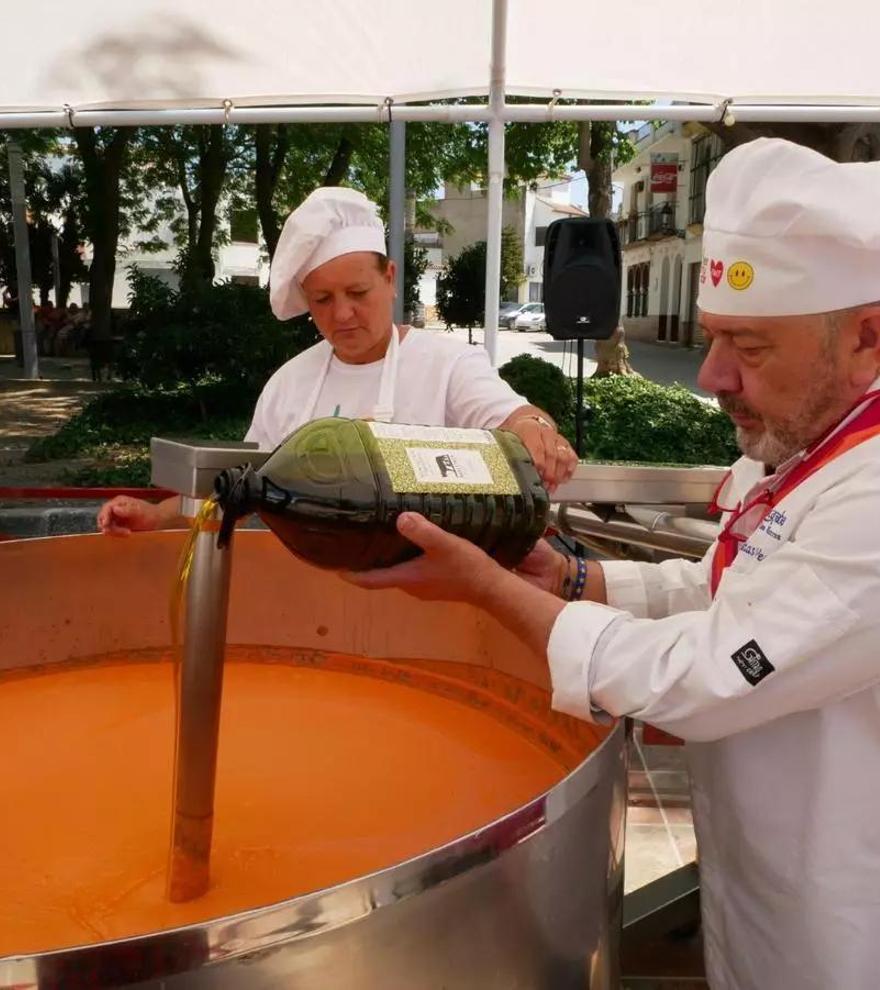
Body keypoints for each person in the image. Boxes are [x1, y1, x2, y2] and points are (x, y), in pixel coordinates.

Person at [345, 138, 880, 990]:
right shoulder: (798, 446)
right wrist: (571, 579)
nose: (711, 377)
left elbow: (710, 675)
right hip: (761, 881)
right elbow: (730, 593)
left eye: (751, 346)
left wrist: (486, 589)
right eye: (711, 340)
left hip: (845, 922)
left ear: (869, 339)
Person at [98, 188, 577, 535]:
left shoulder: (447, 363)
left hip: (431, 600)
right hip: (312, 598)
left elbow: (513, 417)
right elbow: (237, 494)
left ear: (390, 278)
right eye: (323, 299)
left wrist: (535, 427)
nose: (342, 313)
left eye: (357, 292)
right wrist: (152, 518)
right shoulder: (290, 383)